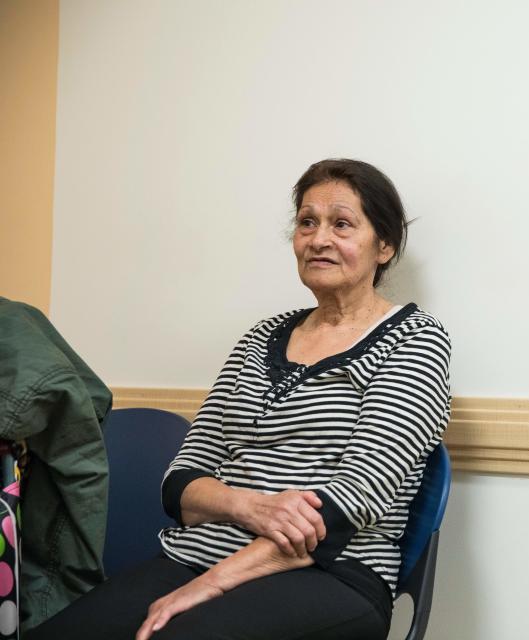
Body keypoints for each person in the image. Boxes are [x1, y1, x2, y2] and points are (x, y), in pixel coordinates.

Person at [28, 159, 452, 640]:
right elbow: (181, 483)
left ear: (385, 245)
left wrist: (211, 585)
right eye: (307, 222)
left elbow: (345, 508)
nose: (318, 239)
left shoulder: (414, 339)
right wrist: (250, 507)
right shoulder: (261, 337)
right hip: (196, 554)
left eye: (342, 224)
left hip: (329, 574)